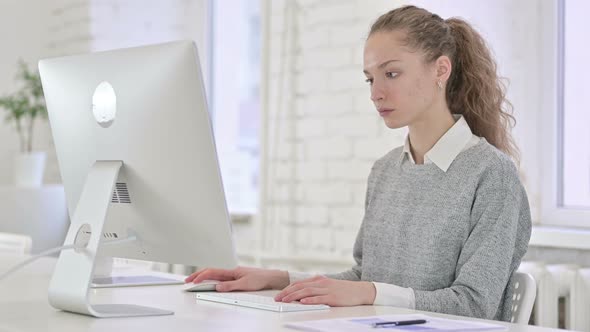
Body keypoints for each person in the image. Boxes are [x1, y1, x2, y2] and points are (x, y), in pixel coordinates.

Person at [186, 5, 531, 321]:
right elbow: (365, 280)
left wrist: (367, 291)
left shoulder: (491, 175)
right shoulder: (384, 171)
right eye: (370, 78)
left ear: (441, 69)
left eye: (391, 74)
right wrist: (278, 280)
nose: (375, 93)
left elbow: (474, 304)